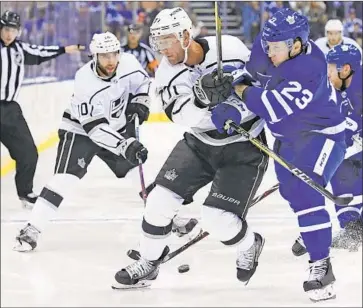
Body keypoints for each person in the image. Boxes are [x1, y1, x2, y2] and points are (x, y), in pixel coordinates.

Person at [112, 7, 267, 289]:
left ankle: (249, 244)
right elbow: (183, 118)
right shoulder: (166, 74)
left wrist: (236, 106)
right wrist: (201, 98)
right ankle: (149, 261)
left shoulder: (229, 47)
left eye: (167, 40)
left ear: (185, 35)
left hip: (244, 146)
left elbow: (258, 85)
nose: (163, 49)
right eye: (158, 42)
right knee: (158, 201)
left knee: (216, 218)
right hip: (199, 143)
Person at [211, 8, 347, 302]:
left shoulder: (310, 67)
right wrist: (231, 104)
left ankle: (321, 265)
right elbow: (251, 82)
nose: (268, 52)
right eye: (267, 45)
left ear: (296, 45)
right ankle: (313, 229)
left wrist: (239, 87)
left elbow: (270, 106)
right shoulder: (267, 47)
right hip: (287, 141)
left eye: (276, 48)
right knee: (293, 194)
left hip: (324, 136)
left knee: (306, 191)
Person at [13, 32, 151, 252]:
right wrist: (125, 145)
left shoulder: (129, 63)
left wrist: (141, 101)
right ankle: (32, 229)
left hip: (115, 128)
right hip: (80, 132)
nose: (110, 60)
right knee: (63, 179)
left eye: (113, 54)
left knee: (139, 174)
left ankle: (167, 218)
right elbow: (95, 130)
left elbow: (142, 83)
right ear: (93, 56)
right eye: (103, 55)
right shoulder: (84, 80)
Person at [0, 10, 84, 209]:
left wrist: (66, 49)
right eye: (5, 29)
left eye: (13, 30)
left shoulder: (21, 50)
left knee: (28, 153)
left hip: (10, 110)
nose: (8, 34)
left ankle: (25, 194)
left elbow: (42, 52)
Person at [292, 44, 362, 255]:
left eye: (332, 68)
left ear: (346, 69)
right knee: (339, 171)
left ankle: (317, 227)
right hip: (353, 146)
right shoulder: (334, 87)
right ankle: (351, 227)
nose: (328, 72)